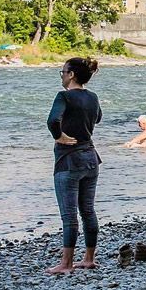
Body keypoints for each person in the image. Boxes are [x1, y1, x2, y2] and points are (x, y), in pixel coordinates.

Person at [45, 58, 102, 275]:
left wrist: (59, 136)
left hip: (68, 160)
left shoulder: (64, 96)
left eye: (62, 71)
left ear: (71, 75)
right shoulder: (93, 97)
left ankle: (66, 263)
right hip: (90, 158)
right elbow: (98, 119)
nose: (61, 75)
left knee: (69, 215)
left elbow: (52, 120)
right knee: (88, 210)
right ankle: (89, 258)